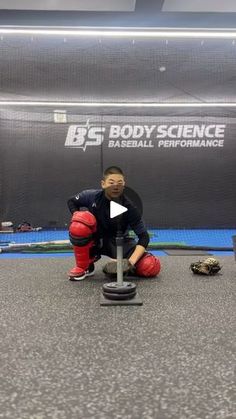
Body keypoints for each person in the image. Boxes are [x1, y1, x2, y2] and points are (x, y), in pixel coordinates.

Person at [67, 166, 161, 280]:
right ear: (103, 184)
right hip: (95, 240)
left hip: (118, 243)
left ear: (123, 185)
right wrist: (78, 216)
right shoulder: (91, 196)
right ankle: (84, 267)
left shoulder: (129, 207)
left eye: (119, 183)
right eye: (111, 182)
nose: (115, 186)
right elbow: (71, 201)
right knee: (79, 225)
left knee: (150, 266)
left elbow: (144, 237)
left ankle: (121, 267)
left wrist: (129, 263)